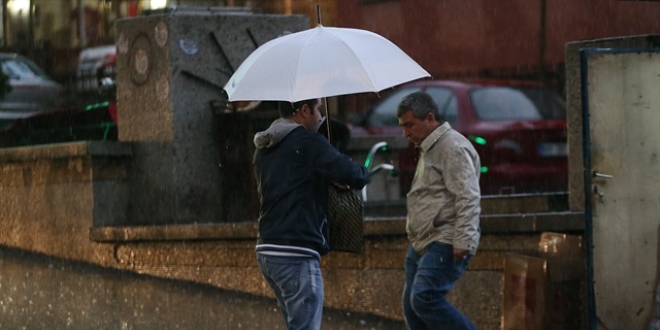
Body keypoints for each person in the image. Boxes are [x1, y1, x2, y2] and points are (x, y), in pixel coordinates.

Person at [253, 98, 370, 330]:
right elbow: (355, 175)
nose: (321, 117)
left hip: (268, 249)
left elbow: (291, 181)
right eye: (318, 110)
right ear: (304, 110)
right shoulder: (307, 141)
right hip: (296, 251)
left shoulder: (265, 146)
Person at [396, 92, 481, 330]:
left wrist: (463, 238)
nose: (406, 133)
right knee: (413, 309)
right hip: (423, 240)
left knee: (424, 298)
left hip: (445, 237)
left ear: (430, 119)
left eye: (409, 125)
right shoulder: (430, 147)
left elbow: (468, 195)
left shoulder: (452, 147)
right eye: (403, 127)